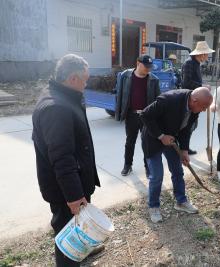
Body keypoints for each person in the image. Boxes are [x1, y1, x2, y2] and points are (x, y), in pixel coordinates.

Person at [32, 54, 101, 266]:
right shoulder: (56, 108)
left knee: (78, 227)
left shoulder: (64, 96)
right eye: (85, 80)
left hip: (76, 181)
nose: (86, 84)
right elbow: (62, 157)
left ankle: (82, 250)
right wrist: (73, 196)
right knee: (65, 233)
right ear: (72, 78)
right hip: (65, 190)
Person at [140, 87, 213, 223]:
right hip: (153, 138)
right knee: (156, 176)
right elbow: (145, 115)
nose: (203, 110)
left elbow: (186, 130)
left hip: (172, 140)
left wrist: (184, 150)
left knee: (178, 171)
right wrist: (161, 136)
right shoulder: (169, 99)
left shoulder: (194, 108)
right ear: (194, 100)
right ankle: (153, 206)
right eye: (203, 107)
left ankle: (181, 201)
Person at [115, 55, 161, 176]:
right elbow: (119, 95)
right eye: (146, 66)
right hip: (131, 115)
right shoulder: (125, 76)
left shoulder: (154, 79)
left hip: (147, 116)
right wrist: (119, 113)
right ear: (138, 63)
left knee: (147, 142)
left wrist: (157, 118)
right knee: (130, 141)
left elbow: (158, 101)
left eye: (150, 67)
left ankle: (148, 167)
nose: (148, 69)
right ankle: (127, 165)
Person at [182, 41, 215, 155]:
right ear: (201, 54)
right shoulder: (189, 63)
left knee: (191, 125)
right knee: (186, 125)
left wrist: (203, 86)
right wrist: (202, 86)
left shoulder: (196, 63)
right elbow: (187, 82)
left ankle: (185, 147)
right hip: (190, 100)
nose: (207, 57)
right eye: (206, 54)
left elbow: (195, 81)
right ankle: (183, 148)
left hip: (197, 100)